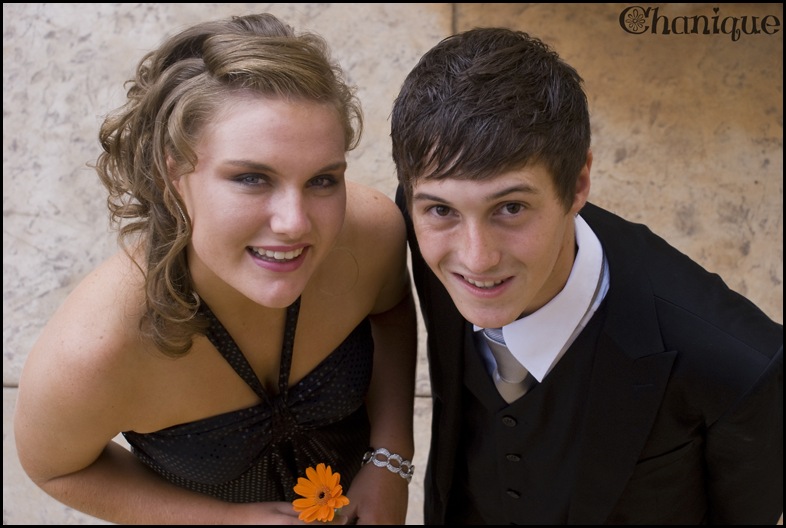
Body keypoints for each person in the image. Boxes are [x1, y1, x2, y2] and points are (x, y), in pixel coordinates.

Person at [14, 13, 417, 525]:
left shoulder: (371, 235)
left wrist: (390, 459)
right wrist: (223, 521)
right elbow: (56, 469)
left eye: (322, 180)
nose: (295, 223)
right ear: (173, 174)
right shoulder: (93, 351)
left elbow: (390, 310)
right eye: (252, 178)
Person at [392, 27, 782, 525]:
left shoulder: (740, 368)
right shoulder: (422, 220)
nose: (477, 258)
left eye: (510, 208)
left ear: (578, 185)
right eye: (442, 209)